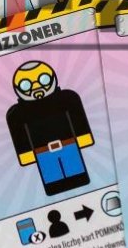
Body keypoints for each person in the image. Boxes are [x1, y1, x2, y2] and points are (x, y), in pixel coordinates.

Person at [5, 61, 93, 195]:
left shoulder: (68, 98)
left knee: (77, 175)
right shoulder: (16, 113)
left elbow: (78, 119)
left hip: (68, 144)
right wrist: (25, 154)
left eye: (44, 80)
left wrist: (83, 138)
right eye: (26, 85)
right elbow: (19, 135)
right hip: (42, 152)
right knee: (54, 182)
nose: (36, 87)